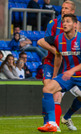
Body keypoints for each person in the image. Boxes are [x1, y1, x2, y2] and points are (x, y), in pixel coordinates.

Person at [37, 1, 79, 131]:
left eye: (66, 8)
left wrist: (71, 70)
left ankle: (66, 117)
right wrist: (56, 74)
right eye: (62, 8)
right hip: (61, 69)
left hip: (74, 70)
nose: (63, 10)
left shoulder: (79, 35)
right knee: (49, 90)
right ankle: (51, 123)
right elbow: (43, 42)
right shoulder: (56, 31)